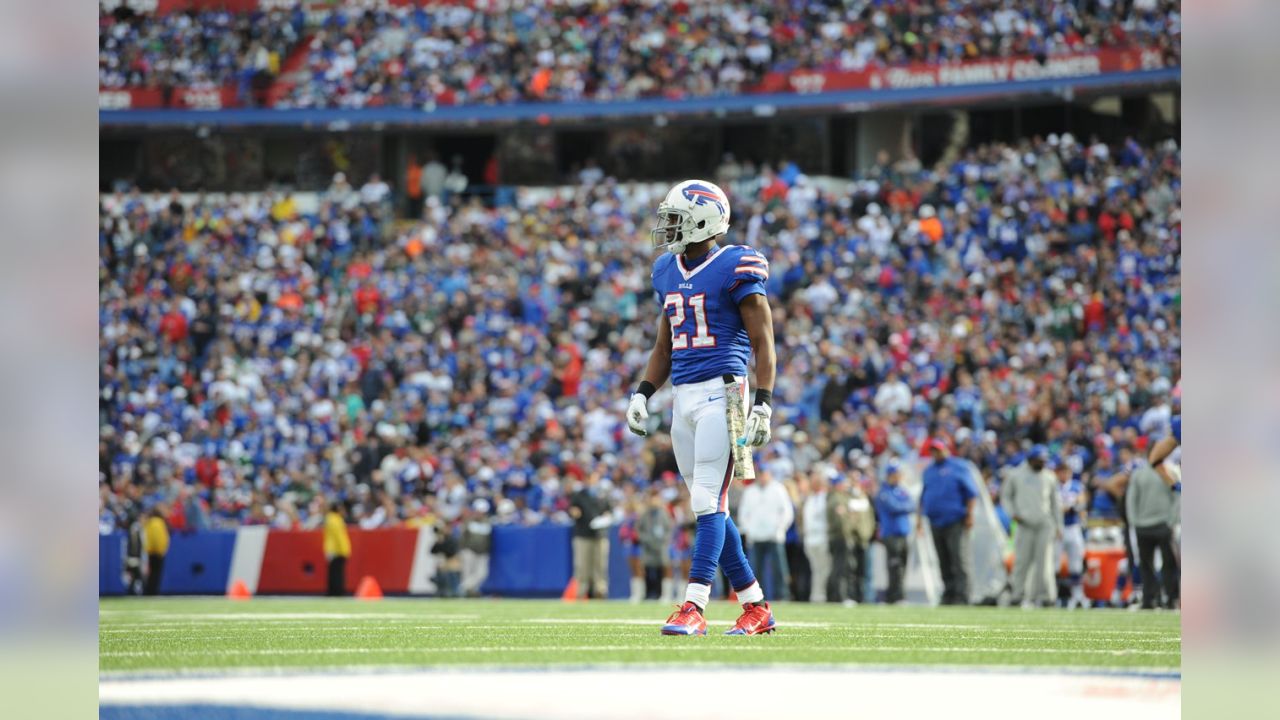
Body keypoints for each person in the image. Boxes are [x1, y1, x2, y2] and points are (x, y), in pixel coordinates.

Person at [626, 179, 777, 636]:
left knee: (707, 498)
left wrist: (764, 402)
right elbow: (664, 344)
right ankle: (756, 607)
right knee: (709, 507)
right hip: (685, 396)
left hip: (726, 392)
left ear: (704, 220)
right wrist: (643, 391)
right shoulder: (666, 270)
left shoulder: (736, 264)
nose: (667, 229)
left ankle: (694, 605)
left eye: (675, 219)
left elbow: (763, 340)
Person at [918, 438, 979, 605]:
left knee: (959, 559)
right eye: (933, 451)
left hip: (955, 520)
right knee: (943, 560)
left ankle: (963, 595)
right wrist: (918, 521)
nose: (935, 454)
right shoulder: (928, 471)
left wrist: (970, 515)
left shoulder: (959, 467)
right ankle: (949, 593)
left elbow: (971, 494)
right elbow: (923, 497)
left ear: (946, 449)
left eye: (938, 450)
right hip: (935, 521)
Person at [1002, 445, 1062, 608]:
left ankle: (1047, 596)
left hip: (1044, 524)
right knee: (1021, 561)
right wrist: (1012, 513)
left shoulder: (1049, 477)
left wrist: (1059, 526)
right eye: (1039, 460)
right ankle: (1017, 594)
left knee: (1045, 562)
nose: (1042, 464)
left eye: (1044, 461)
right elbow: (1006, 497)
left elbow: (1055, 503)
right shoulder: (1016, 474)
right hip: (1023, 523)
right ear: (1030, 459)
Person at [1126, 461, 1180, 609]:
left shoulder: (1164, 472)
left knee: (1151, 564)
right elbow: (1177, 496)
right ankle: (1165, 598)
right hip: (1159, 524)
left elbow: (1131, 499)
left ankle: (1153, 598)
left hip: (1151, 525)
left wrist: (1134, 521)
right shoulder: (1169, 472)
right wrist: (1171, 520)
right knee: (1161, 564)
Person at [738, 470, 794, 602]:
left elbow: (787, 512)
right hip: (756, 537)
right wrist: (749, 530)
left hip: (774, 536)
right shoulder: (750, 491)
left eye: (765, 473)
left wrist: (780, 528)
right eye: (760, 473)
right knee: (755, 569)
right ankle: (757, 597)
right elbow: (743, 514)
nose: (762, 476)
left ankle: (782, 595)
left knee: (779, 568)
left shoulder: (778, 489)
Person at [875, 460, 914, 604]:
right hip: (891, 533)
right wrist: (905, 505)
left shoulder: (901, 490)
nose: (897, 477)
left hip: (903, 532)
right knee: (895, 566)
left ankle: (899, 595)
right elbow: (895, 507)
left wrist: (904, 505)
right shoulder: (883, 491)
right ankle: (895, 596)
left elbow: (912, 504)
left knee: (903, 565)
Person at [568, 472, 611, 600]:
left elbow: (609, 511)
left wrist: (605, 518)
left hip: (600, 535)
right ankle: (581, 591)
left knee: (600, 565)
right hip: (583, 534)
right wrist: (574, 512)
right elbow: (573, 510)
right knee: (582, 565)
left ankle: (600, 591)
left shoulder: (602, 494)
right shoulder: (579, 495)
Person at [1055, 456, 1089, 609]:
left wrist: (1074, 506)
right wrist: (1068, 506)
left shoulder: (1076, 486)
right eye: (1061, 472)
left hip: (1073, 527)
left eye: (1066, 472)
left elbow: (1081, 503)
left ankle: (1078, 596)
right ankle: (1053, 596)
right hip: (1057, 528)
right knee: (1054, 565)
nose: (1064, 475)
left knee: (1076, 565)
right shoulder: (1053, 486)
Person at [636, 487, 673, 600]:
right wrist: (645, 539)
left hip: (660, 546)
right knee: (647, 570)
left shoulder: (664, 513)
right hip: (647, 546)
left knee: (661, 569)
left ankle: (661, 594)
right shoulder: (644, 513)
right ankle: (647, 594)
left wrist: (664, 541)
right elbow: (638, 529)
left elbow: (669, 529)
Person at [801, 471, 831, 602]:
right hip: (811, 539)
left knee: (824, 569)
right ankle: (817, 595)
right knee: (816, 569)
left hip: (822, 537)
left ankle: (823, 594)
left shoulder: (826, 498)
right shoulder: (810, 499)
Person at [459, 499, 492, 597]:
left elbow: (488, 538)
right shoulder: (468, 521)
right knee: (467, 573)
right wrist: (462, 550)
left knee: (482, 573)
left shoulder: (488, 522)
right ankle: (470, 593)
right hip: (469, 550)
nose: (480, 513)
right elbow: (463, 536)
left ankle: (462, 588)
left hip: (482, 552)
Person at [323, 501, 351, 597]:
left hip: (332, 550)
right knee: (337, 573)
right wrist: (344, 550)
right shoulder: (336, 520)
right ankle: (337, 592)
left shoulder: (330, 519)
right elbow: (339, 537)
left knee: (333, 572)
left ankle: (333, 591)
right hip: (337, 550)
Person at [142, 506, 169, 596]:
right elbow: (157, 538)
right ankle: (152, 592)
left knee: (152, 574)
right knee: (155, 574)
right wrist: (160, 550)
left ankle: (150, 591)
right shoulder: (157, 522)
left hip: (152, 551)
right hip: (156, 552)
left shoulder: (151, 522)